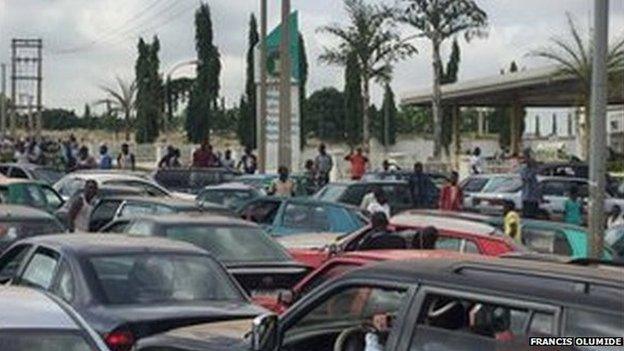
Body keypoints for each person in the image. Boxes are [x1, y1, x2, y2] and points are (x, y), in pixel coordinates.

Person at [520, 148, 542, 219]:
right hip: (527, 198)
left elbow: (539, 183)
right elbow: (527, 178)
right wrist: (532, 169)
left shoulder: (537, 169)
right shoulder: (524, 169)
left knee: (534, 217)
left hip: (534, 199)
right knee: (527, 218)